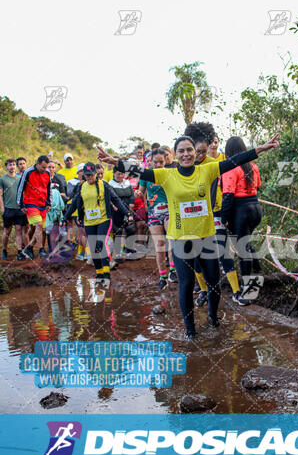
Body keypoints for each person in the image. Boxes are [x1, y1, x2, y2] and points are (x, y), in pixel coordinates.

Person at [97, 133, 279, 339]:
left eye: (189, 150)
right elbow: (139, 170)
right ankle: (190, 330)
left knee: (214, 282)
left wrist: (262, 148)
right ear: (175, 154)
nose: (186, 154)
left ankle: (213, 319)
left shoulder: (207, 170)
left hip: (207, 237)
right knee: (186, 284)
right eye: (181, 151)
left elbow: (235, 160)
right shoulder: (167, 175)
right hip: (181, 239)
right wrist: (113, 161)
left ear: (194, 152)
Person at [184, 123, 245, 306]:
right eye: (197, 151)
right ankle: (203, 291)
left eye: (203, 151)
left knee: (222, 251)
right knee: (196, 257)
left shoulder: (217, 164)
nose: (199, 155)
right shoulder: (183, 165)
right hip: (192, 216)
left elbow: (240, 161)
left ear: (209, 145)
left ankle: (236, 291)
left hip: (215, 212)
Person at [62, 162, 134, 285]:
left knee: (100, 244)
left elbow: (116, 199)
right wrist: (65, 217)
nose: (89, 178)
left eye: (91, 175)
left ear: (96, 174)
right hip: (89, 221)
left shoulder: (104, 185)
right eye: (87, 176)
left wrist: (127, 213)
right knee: (94, 247)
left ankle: (106, 274)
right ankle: (99, 273)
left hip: (104, 219)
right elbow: (74, 203)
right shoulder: (81, 187)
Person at [221, 136, 264, 300]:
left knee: (242, 250)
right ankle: (258, 271)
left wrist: (224, 217)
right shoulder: (253, 166)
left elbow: (227, 196)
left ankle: (248, 293)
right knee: (247, 244)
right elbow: (258, 187)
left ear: (228, 152)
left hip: (241, 210)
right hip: (255, 209)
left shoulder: (230, 167)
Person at [138, 148, 177, 290]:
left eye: (162, 162)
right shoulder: (146, 175)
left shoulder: (169, 173)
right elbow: (141, 192)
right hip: (154, 213)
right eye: (156, 162)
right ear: (151, 162)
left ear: (165, 161)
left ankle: (173, 271)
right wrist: (137, 193)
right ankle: (162, 277)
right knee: (159, 245)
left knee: (172, 240)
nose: (159, 165)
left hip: (169, 211)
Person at [17, 155, 52, 260]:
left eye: (46, 167)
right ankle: (41, 249)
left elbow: (48, 188)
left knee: (42, 228)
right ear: (37, 164)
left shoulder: (47, 173)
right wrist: (20, 204)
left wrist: (49, 202)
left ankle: (29, 247)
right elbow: (20, 188)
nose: (45, 169)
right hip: (31, 203)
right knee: (39, 224)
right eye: (43, 167)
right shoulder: (28, 172)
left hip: (42, 204)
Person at [0, 158, 28, 260]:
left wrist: (24, 206)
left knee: (19, 230)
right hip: (8, 208)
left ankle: (20, 251)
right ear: (6, 167)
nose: (12, 167)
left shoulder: (20, 178)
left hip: (19, 209)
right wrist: (2, 208)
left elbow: (24, 193)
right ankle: (4, 250)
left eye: (13, 165)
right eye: (10, 165)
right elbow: (0, 195)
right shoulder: (2, 179)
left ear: (15, 166)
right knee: (7, 231)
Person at [108, 168, 138, 260]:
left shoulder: (127, 183)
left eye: (122, 174)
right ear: (113, 174)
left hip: (128, 209)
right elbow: (110, 198)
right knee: (118, 231)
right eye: (118, 174)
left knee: (131, 229)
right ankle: (117, 254)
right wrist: (113, 205)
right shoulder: (110, 184)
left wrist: (132, 202)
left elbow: (131, 194)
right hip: (116, 211)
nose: (120, 176)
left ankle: (129, 249)